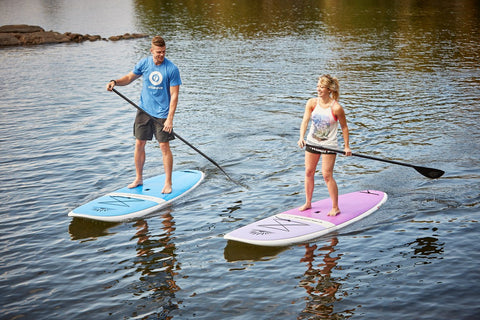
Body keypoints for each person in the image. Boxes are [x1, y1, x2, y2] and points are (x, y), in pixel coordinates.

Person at [106, 36, 181, 194]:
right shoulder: (144, 63)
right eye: (158, 52)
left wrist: (170, 119)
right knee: (139, 144)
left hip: (162, 114)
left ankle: (168, 183)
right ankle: (139, 178)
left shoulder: (172, 69)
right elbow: (129, 78)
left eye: (163, 52)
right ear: (151, 51)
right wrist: (115, 82)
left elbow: (174, 96)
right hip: (144, 111)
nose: (161, 55)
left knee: (164, 147)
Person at [297, 74, 351, 215]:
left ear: (329, 89)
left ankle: (335, 207)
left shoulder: (336, 108)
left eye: (322, 87)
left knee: (326, 175)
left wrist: (346, 146)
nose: (318, 89)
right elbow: (305, 121)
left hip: (329, 145)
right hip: (312, 142)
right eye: (318, 86)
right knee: (309, 172)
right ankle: (308, 203)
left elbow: (344, 127)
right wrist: (301, 137)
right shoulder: (312, 103)